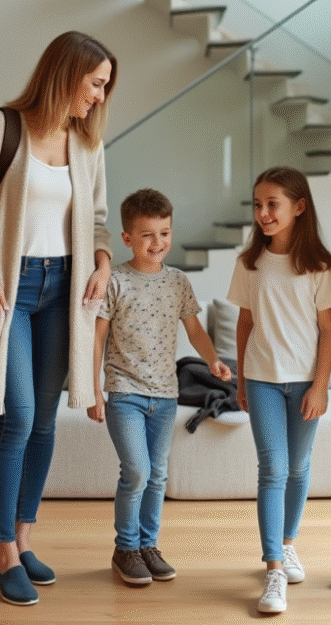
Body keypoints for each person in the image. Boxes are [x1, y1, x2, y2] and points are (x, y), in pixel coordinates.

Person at [0, 30, 117, 606]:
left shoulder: (87, 144)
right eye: (94, 84)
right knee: (15, 417)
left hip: (64, 291)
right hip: (9, 290)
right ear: (66, 75)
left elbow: (96, 219)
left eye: (104, 88)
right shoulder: (1, 128)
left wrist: (101, 259)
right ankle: (1, 554)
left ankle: (24, 539)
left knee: (44, 421)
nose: (98, 97)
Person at [87, 188, 232, 586]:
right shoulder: (114, 281)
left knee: (157, 476)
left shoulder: (178, 282)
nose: (158, 243)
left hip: (165, 396)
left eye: (165, 233)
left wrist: (213, 360)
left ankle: (148, 546)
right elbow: (96, 339)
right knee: (136, 471)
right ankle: (126, 548)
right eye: (148, 235)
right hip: (124, 393)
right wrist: (93, 390)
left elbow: (195, 329)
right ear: (128, 239)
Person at [227, 166, 331, 615]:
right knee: (273, 468)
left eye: (272, 204)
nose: (263, 213)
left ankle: (288, 542)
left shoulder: (320, 266)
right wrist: (240, 379)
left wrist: (321, 386)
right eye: (257, 205)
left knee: (298, 467)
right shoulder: (249, 264)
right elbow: (244, 324)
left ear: (299, 207)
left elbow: (328, 332)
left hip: (304, 385)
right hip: (261, 381)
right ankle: (273, 567)